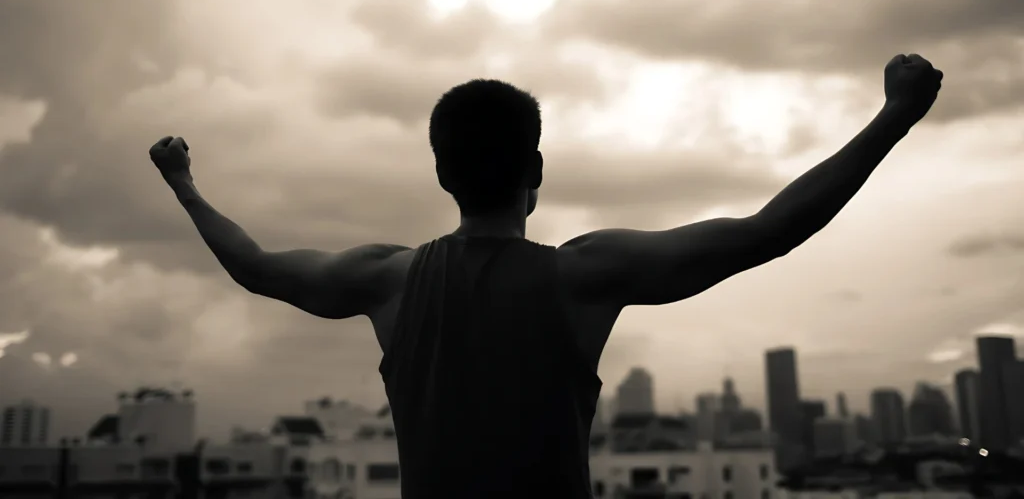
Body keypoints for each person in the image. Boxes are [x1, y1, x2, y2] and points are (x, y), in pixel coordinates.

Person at [150, 53, 942, 498]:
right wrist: (895, 114)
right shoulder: (583, 276)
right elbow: (771, 231)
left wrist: (184, 183)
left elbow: (253, 267)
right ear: (535, 167)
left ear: (440, 172)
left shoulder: (388, 280)